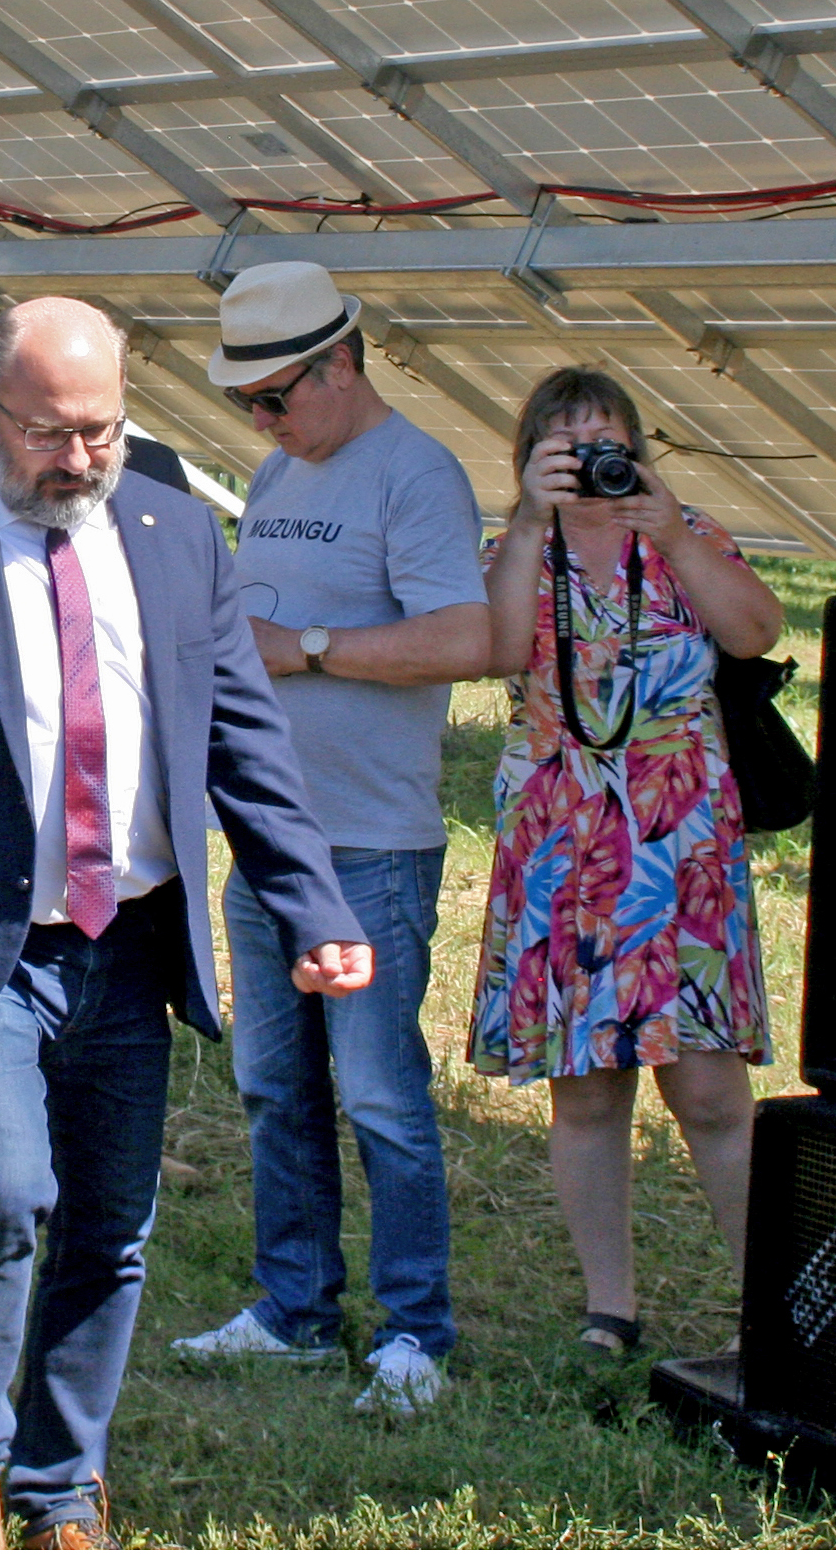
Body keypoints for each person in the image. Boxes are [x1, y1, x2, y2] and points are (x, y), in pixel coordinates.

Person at [0, 296, 371, 1552]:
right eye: (50, 434)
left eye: (101, 431)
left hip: (130, 939)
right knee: (1, 1190)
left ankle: (61, 1486)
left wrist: (311, 901)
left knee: (111, 1223)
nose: (79, 461)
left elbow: (245, 742)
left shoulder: (174, 533)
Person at [171, 260, 490, 1413]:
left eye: (275, 398)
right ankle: (295, 1308)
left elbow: (467, 637)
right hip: (269, 840)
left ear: (343, 365)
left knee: (382, 1098)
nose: (258, 421)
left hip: (371, 845)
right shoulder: (275, 467)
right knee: (272, 1086)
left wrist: (300, 647)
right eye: (244, 404)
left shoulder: (417, 477)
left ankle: (417, 1331)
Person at [470, 366, 781, 1356]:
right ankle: (611, 1310)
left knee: (710, 1089)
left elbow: (758, 629)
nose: (596, 467)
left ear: (638, 452)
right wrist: (528, 524)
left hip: (682, 840)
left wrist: (676, 531)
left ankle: (765, 1313)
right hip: (569, 847)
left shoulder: (684, 539)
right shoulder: (516, 549)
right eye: (568, 449)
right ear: (530, 459)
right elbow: (496, 647)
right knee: (591, 1086)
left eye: (611, 446)